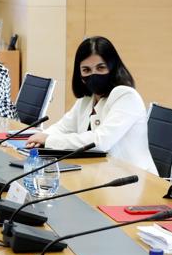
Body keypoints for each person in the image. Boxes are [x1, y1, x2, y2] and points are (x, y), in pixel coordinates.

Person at [24, 37, 155, 172]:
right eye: (86, 70)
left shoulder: (126, 96)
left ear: (113, 67)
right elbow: (63, 128)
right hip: (100, 173)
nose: (94, 74)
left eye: (101, 67)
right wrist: (38, 139)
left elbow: (100, 141)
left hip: (133, 180)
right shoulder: (87, 99)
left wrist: (49, 140)